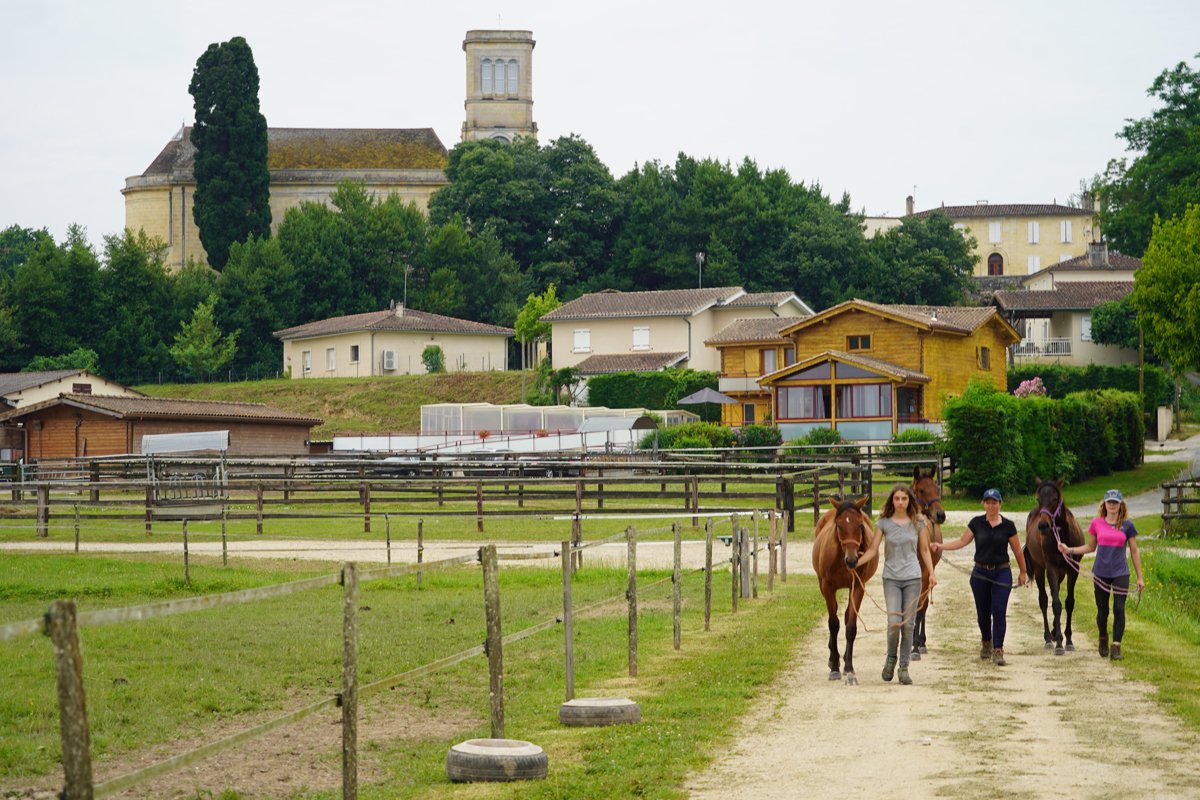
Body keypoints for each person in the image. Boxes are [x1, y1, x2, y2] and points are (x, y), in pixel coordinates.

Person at [932, 488, 1028, 666]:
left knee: (999, 610)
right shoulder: (976, 523)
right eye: (988, 502)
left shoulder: (1008, 526)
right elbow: (962, 541)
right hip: (980, 573)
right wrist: (941, 546)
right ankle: (986, 642)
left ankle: (998, 649)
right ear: (983, 504)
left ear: (1000, 504)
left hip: (1001, 572)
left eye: (994, 502)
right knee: (983, 613)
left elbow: (1017, 550)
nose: (991, 506)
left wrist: (1023, 572)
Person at [858, 485, 937, 685]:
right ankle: (891, 658)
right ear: (892, 501)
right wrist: (855, 563)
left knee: (908, 625)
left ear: (909, 500)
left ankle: (904, 667)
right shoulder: (883, 523)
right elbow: (872, 549)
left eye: (904, 498)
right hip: (891, 578)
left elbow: (925, 550)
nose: (900, 502)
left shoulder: (918, 521)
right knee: (894, 622)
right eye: (897, 499)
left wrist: (931, 573)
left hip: (913, 578)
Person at [1058, 489, 1145, 660]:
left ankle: (1116, 647)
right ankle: (1103, 637)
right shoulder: (1097, 523)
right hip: (1101, 572)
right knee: (1102, 610)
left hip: (1120, 573)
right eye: (1109, 502)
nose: (1112, 505)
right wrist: (1069, 550)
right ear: (1104, 504)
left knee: (1119, 608)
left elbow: (1134, 551)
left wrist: (1140, 577)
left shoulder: (1127, 525)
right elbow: (1090, 547)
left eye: (1115, 502)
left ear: (1120, 504)